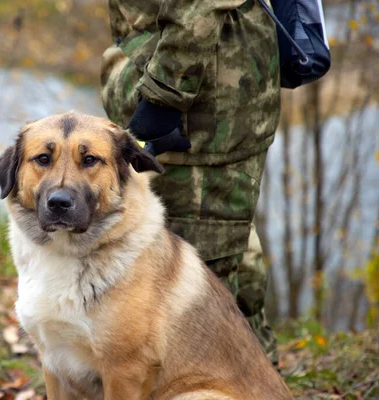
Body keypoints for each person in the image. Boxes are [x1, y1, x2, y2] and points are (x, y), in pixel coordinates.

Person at [101, 0, 280, 363]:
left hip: (192, 118)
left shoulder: (171, 100)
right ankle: (260, 379)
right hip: (192, 110)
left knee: (201, 295)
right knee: (228, 267)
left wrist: (164, 95)